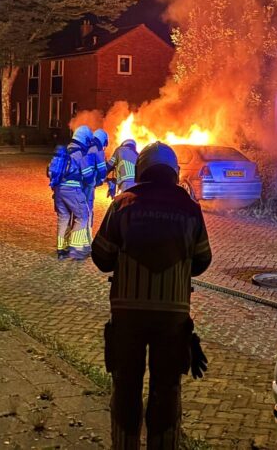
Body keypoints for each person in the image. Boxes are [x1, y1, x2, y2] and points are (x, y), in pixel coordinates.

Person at [93, 142, 212, 449]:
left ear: (141, 170)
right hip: (172, 319)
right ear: (174, 173)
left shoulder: (122, 204)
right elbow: (202, 261)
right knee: (167, 390)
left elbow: (101, 256)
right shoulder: (189, 208)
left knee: (126, 387)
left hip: (127, 317)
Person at [51, 125, 95, 260]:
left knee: (63, 217)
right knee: (82, 216)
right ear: (85, 139)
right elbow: (88, 176)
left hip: (59, 189)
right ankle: (76, 249)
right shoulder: (80, 154)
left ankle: (60, 249)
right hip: (73, 190)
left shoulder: (65, 151)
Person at [85, 128, 110, 237]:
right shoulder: (98, 149)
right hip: (89, 182)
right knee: (88, 209)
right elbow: (102, 170)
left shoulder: (85, 144)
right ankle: (86, 238)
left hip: (77, 182)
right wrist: (100, 180)